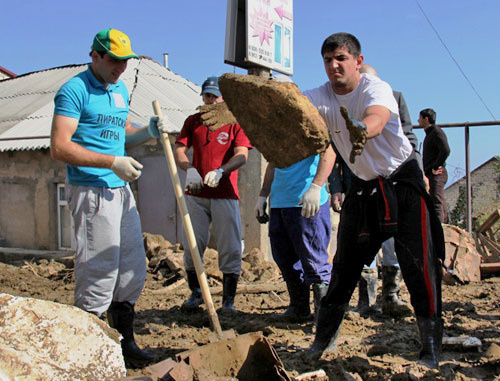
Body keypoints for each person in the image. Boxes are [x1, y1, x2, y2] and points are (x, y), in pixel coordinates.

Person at [304, 32, 445, 369]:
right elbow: (287, 104)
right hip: (363, 190)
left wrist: (362, 128)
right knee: (342, 271)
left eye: (340, 58)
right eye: (327, 60)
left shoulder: (376, 89)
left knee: (420, 268)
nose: (333, 65)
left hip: (403, 183)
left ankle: (430, 349)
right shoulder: (318, 97)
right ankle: (322, 342)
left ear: (358, 61)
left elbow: (379, 117)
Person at [50, 28, 166, 364]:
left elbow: (121, 133)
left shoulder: (117, 90)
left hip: (120, 191)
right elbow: (60, 146)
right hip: (91, 190)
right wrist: (110, 162)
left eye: (125, 62)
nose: (120, 68)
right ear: (95, 56)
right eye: (114, 61)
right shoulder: (74, 90)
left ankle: (125, 344)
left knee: (131, 269)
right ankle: (90, 353)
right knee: (98, 274)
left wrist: (146, 132)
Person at [255, 75, 335, 323]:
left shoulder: (310, 119)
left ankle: (325, 316)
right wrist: (262, 195)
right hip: (280, 202)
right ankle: (300, 308)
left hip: (306, 202)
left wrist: (316, 186)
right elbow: (272, 162)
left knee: (313, 259)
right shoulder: (276, 127)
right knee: (285, 259)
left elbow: (328, 152)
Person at [174, 76, 252, 313]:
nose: (210, 100)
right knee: (192, 244)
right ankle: (196, 293)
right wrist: (190, 170)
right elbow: (179, 149)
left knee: (230, 246)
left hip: (225, 193)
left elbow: (242, 155)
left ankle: (228, 300)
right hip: (196, 192)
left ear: (224, 98)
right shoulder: (193, 121)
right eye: (207, 95)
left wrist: (222, 170)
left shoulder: (235, 123)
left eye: (214, 96)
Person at [420, 108, 451, 223]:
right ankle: (443, 228)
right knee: (438, 201)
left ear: (426, 119)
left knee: (437, 202)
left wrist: (435, 166)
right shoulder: (431, 133)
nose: (418, 121)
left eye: (420, 118)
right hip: (432, 174)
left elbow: (446, 150)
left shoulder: (436, 132)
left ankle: (440, 230)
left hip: (437, 174)